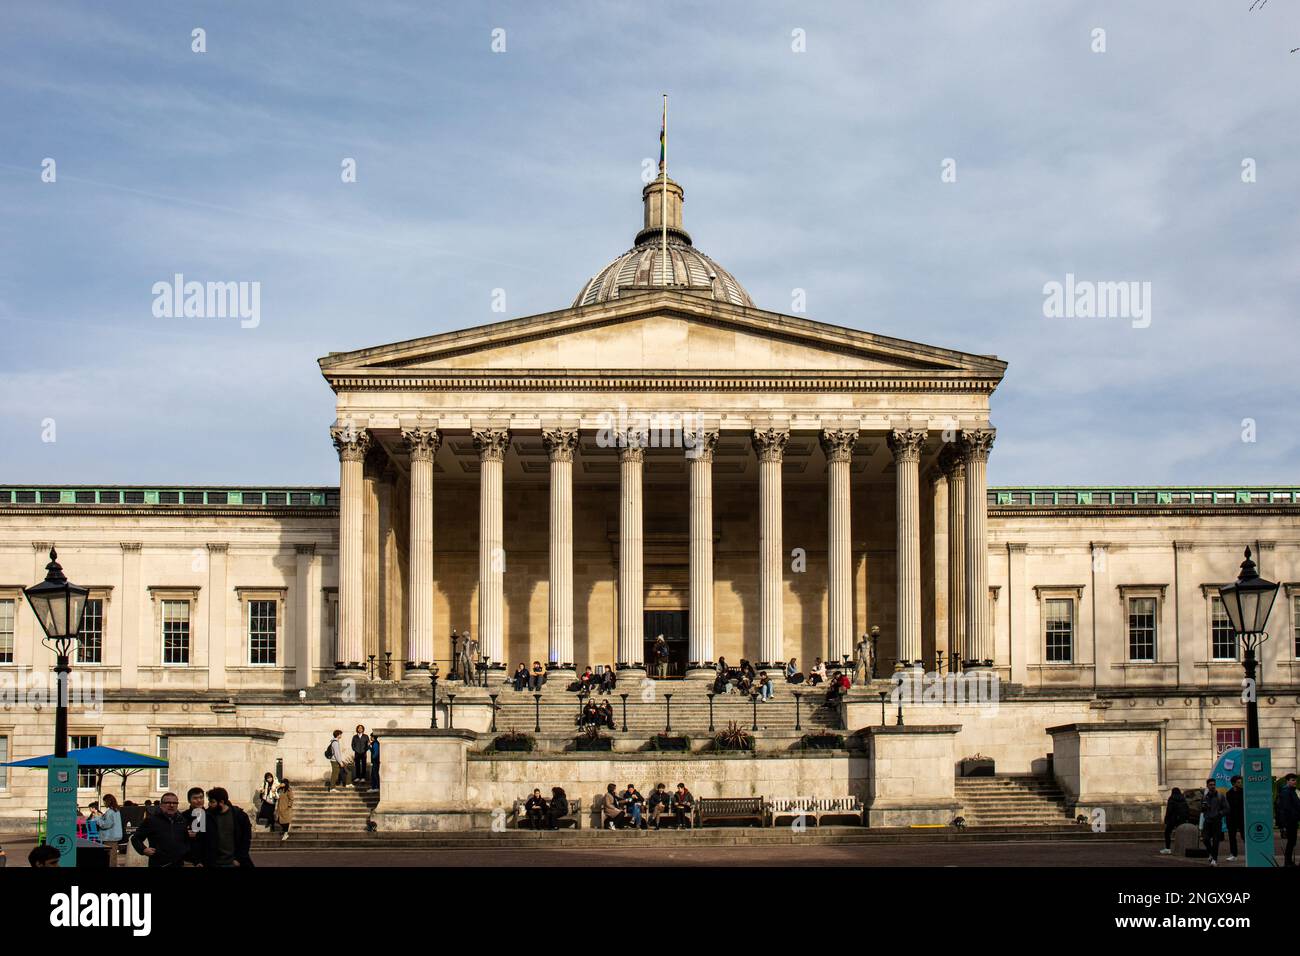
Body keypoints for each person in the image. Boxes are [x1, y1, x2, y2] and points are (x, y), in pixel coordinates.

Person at [130, 791, 191, 867]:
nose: (171, 805)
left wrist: (184, 852)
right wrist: (143, 849)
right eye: (167, 803)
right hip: (158, 863)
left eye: (174, 803)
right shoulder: (151, 820)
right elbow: (136, 838)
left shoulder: (182, 820)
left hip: (178, 863)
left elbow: (186, 841)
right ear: (161, 805)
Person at [200, 787, 254, 868]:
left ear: (221, 802)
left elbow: (246, 840)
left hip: (234, 863)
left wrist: (239, 859)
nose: (209, 804)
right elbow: (202, 840)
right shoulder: (207, 816)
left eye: (212, 802)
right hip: (213, 863)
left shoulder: (239, 816)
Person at [1200, 779, 1228, 866]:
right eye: (1210, 785)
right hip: (1207, 820)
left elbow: (1227, 809)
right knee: (1205, 839)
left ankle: (1214, 860)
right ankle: (1211, 853)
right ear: (1207, 786)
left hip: (1216, 821)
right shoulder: (1205, 797)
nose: (1212, 786)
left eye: (1214, 784)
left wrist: (1219, 814)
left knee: (1216, 841)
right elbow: (1201, 809)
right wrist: (1203, 808)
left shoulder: (1220, 796)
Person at [1276, 772, 1300, 867]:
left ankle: (1289, 862)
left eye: (1295, 780)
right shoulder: (1286, 792)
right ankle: (1288, 862)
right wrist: (1284, 825)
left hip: (1292, 821)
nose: (1295, 782)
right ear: (1287, 781)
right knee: (1291, 842)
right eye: (1293, 780)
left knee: (1292, 842)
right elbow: (1285, 809)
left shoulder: (1291, 791)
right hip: (1290, 822)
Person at [181, 786, 207, 865]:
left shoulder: (210, 815)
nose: (199, 800)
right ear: (189, 800)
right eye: (195, 798)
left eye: (201, 797)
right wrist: (186, 834)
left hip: (207, 859)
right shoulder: (183, 816)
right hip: (189, 860)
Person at [97, 793, 124, 866]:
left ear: (108, 801)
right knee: (113, 857)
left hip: (109, 837)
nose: (104, 803)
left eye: (104, 801)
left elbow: (106, 824)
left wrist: (98, 820)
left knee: (109, 858)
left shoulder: (110, 812)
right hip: (115, 837)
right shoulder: (116, 811)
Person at [1160, 787, 1189, 854]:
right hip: (1181, 819)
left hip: (1172, 819)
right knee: (1181, 833)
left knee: (1167, 833)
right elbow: (1187, 809)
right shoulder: (1183, 799)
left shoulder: (1171, 799)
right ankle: (1182, 848)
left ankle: (1168, 848)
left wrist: (1166, 819)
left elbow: (1169, 810)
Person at [1226, 775, 1244, 861]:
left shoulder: (1244, 792)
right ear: (1233, 783)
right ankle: (1233, 854)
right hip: (1231, 818)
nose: (1240, 784)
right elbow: (1228, 807)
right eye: (1238, 782)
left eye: (1241, 782)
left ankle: (1250, 852)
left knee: (1244, 836)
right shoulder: (1229, 793)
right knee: (1232, 837)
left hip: (1242, 818)